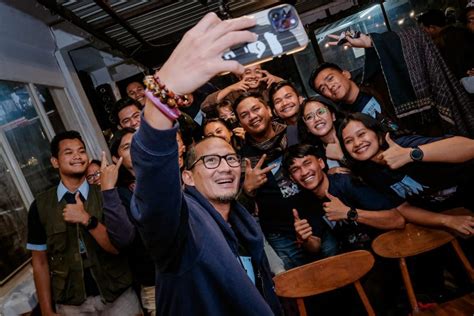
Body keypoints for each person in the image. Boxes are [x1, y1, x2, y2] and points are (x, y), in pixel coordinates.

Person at [130, 12, 282, 315]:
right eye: (210, 161)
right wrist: (163, 96)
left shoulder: (245, 227)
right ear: (186, 177)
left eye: (229, 159)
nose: (225, 167)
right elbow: (156, 195)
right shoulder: (182, 235)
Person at [27, 131, 140, 315]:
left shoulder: (107, 194)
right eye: (68, 152)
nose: (77, 156)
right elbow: (39, 262)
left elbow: (118, 247)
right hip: (72, 305)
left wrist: (86, 219)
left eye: (81, 150)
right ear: (55, 161)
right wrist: (47, 309)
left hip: (119, 298)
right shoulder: (40, 206)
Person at [234, 92, 334, 266]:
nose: (252, 116)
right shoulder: (242, 160)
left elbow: (322, 159)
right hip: (281, 235)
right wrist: (248, 190)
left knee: (343, 271)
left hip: (320, 220)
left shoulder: (296, 134)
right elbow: (240, 211)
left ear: (269, 110)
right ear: (241, 123)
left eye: (256, 109)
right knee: (302, 286)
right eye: (244, 115)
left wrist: (336, 167)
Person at [338, 112, 474, 235]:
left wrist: (410, 154)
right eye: (348, 141)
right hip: (452, 213)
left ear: (378, 135)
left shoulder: (403, 144)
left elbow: (469, 146)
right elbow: (403, 208)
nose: (357, 143)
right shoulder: (369, 173)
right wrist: (447, 220)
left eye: (361, 134)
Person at [282, 143, 405, 252]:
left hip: (391, 250)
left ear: (321, 163)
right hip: (358, 261)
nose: (304, 172)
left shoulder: (346, 183)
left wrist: (350, 214)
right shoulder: (306, 201)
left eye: (307, 163)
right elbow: (315, 246)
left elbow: (397, 220)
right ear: (293, 178)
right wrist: (304, 239)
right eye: (295, 169)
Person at [104, 128, 157, 315]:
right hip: (154, 284)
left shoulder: (166, 173)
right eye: (127, 147)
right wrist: (108, 190)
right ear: (115, 158)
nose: (135, 149)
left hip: (189, 272)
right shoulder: (119, 194)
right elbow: (124, 239)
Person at [200, 64, 282, 114]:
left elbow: (292, 93)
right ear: (239, 76)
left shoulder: (269, 88)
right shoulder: (233, 94)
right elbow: (205, 107)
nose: (253, 76)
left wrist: (277, 79)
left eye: (257, 71)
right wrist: (230, 88)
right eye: (247, 72)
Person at [297, 96, 346, 168]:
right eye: (309, 117)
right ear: (307, 128)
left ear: (333, 116)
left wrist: (342, 158)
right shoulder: (315, 154)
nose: (317, 119)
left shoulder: (350, 136)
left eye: (321, 112)